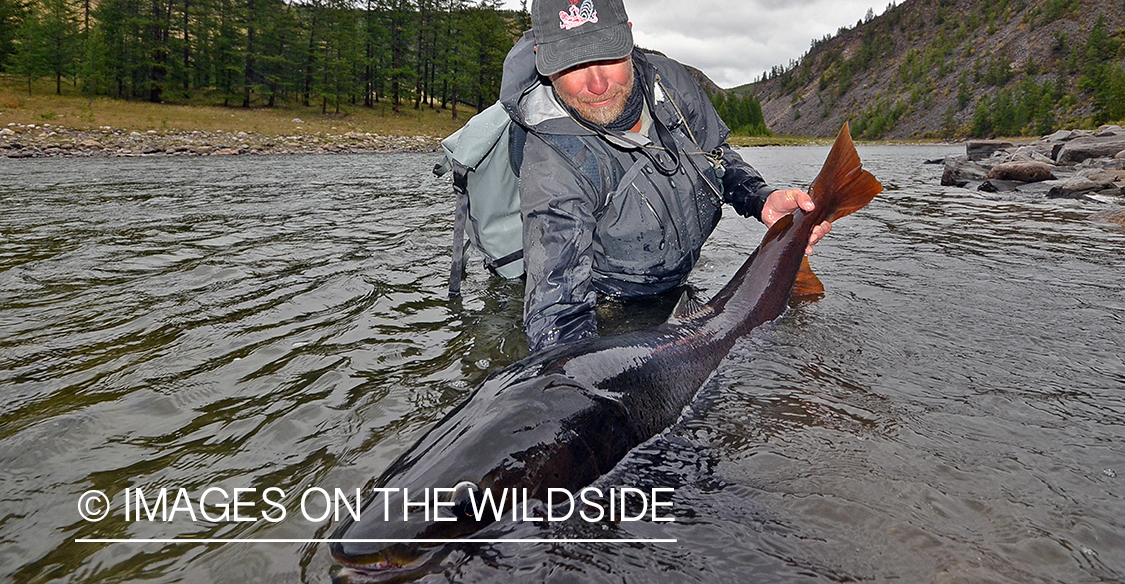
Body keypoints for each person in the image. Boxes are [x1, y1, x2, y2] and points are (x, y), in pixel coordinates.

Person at [499, 0, 831, 353]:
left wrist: (759, 197)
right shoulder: (552, 162)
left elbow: (715, 156)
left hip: (679, 282)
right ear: (542, 61)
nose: (596, 84)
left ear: (628, 38)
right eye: (573, 65)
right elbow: (558, 317)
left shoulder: (669, 82)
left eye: (608, 55)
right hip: (612, 302)